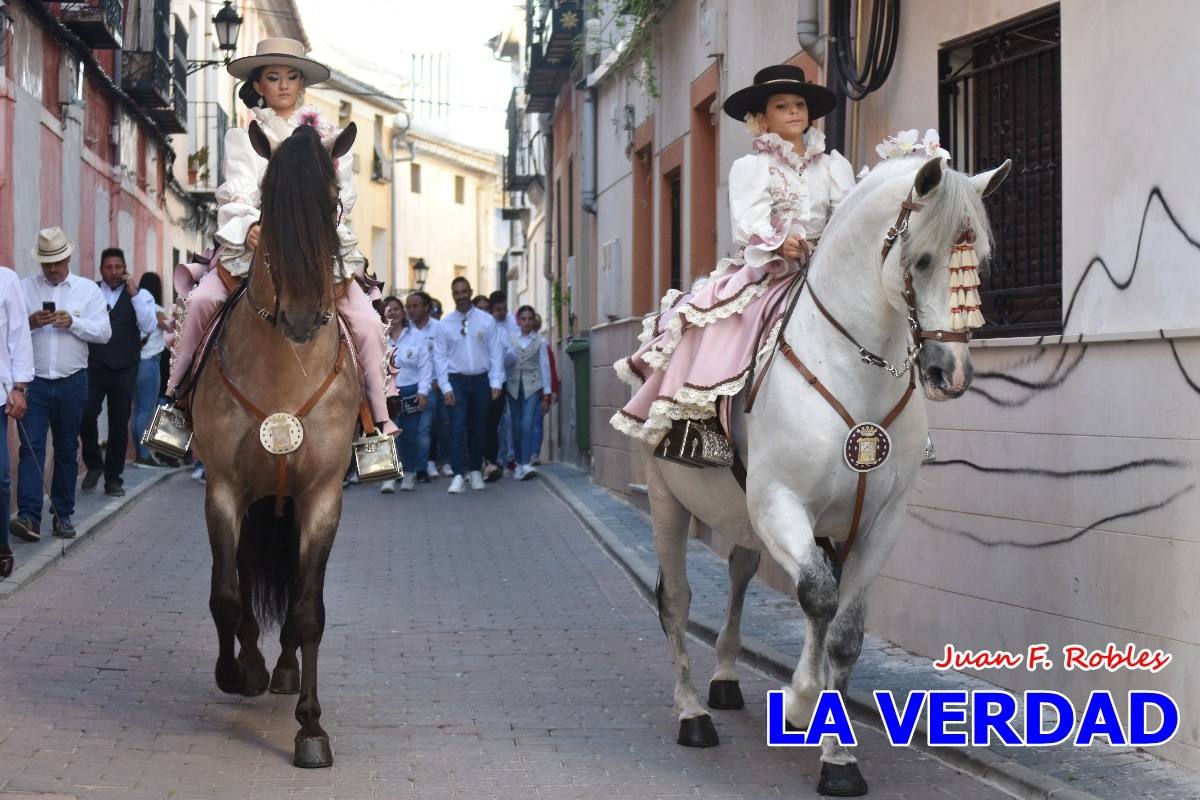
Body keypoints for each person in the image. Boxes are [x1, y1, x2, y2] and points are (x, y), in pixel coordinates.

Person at [611, 65, 855, 449]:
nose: (794, 111)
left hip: (828, 269)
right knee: (714, 326)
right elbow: (747, 221)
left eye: (799, 104)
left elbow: (848, 214)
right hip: (772, 269)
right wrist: (781, 242)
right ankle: (701, 433)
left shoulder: (834, 165)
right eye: (782, 105)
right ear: (761, 118)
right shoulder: (752, 167)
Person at [164, 38, 397, 437]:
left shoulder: (329, 140)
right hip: (255, 247)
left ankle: (376, 423)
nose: (284, 85)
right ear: (258, 85)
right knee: (201, 302)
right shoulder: (243, 138)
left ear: (302, 84)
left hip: (316, 247)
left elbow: (346, 195)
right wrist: (250, 227)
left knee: (368, 323)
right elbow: (236, 191)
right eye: (273, 77)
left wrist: (315, 222)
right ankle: (176, 406)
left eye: (292, 77)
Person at [11, 228, 111, 542]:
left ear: (67, 257)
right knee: (31, 449)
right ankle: (28, 517)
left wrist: (74, 323)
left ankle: (63, 516)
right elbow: (10, 333)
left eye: (56, 261)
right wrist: (31, 322)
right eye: (46, 263)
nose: (52, 268)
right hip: (34, 384)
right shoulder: (24, 288)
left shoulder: (87, 291)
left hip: (72, 383)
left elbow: (104, 333)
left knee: (68, 450)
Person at [79, 248, 158, 495]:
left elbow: (149, 325)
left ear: (125, 269)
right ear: (101, 270)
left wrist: (134, 294)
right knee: (86, 413)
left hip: (125, 368)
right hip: (93, 365)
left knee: (117, 424)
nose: (114, 272)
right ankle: (93, 463)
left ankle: (114, 479)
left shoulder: (140, 295)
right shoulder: (90, 291)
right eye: (109, 267)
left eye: (118, 267)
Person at [432, 277, 505, 494]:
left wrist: (496, 381)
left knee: (479, 428)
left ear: (471, 292)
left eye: (464, 291)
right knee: (456, 428)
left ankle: (475, 471)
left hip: (482, 380)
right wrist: (445, 387)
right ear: (453, 295)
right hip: (457, 381)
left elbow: (496, 352)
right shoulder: (445, 324)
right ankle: (457, 474)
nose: (461, 296)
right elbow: (440, 357)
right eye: (457, 293)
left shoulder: (486, 320)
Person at [0, 264, 34, 579]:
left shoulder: (7, 279)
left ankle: (1, 546)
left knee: (0, 477)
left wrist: (20, 387)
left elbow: (18, 336)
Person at [381, 299, 431, 494]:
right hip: (386, 393)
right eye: (388, 310)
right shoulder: (379, 338)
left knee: (409, 435)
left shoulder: (417, 336)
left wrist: (423, 391)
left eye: (395, 309)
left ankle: (409, 472)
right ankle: (389, 476)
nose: (392, 313)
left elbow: (426, 366)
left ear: (402, 312)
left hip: (410, 391)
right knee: (387, 436)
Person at [505, 305, 551, 480]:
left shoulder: (540, 341)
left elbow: (544, 367)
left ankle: (525, 463)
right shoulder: (510, 339)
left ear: (534, 320)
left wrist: (546, 393)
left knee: (527, 424)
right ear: (518, 321)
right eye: (523, 319)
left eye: (530, 319)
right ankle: (517, 462)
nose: (527, 322)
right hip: (513, 387)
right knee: (515, 426)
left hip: (533, 386)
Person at [131, 272, 172, 468]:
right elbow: (171, 328)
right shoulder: (154, 308)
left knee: (137, 410)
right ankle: (144, 454)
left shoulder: (138, 305)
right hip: (150, 363)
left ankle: (140, 454)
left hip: (135, 362)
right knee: (146, 410)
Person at [404, 291, 445, 482]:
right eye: (409, 306)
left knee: (424, 429)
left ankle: (422, 467)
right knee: (408, 430)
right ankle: (408, 467)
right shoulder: (406, 330)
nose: (411, 310)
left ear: (426, 307)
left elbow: (444, 356)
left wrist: (439, 380)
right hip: (410, 386)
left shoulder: (439, 328)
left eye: (415, 306)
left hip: (433, 386)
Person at [530, 312, 556, 465]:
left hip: (539, 390)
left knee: (536, 422)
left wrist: (551, 391)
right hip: (528, 389)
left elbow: (549, 368)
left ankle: (534, 453)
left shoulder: (543, 344)